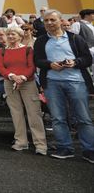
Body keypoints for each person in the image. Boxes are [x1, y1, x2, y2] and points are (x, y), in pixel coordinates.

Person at [33, 10, 94, 162]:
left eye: (52, 20)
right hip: (52, 82)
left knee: (83, 117)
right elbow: (37, 61)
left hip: (76, 81)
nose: (49, 23)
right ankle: (65, 148)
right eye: (46, 20)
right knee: (58, 118)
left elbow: (87, 59)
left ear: (61, 21)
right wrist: (50, 65)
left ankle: (90, 150)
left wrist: (75, 62)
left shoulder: (75, 38)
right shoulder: (40, 41)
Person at [0, 26, 47, 154]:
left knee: (34, 113)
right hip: (9, 83)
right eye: (8, 35)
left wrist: (22, 78)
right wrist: (12, 76)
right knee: (16, 113)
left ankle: (40, 145)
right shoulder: (2, 51)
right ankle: (21, 142)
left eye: (13, 34)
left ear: (20, 36)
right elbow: (1, 67)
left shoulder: (28, 50)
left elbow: (31, 66)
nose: (10, 37)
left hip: (28, 83)